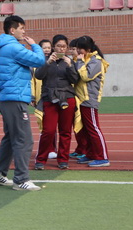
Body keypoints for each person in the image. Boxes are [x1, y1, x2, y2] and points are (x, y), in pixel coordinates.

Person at [0, 15, 45, 191]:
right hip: (16, 99)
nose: (24, 31)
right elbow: (39, 60)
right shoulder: (14, 48)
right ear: (12, 30)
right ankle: (21, 179)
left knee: (10, 137)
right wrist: (35, 45)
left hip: (7, 99)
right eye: (21, 28)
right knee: (24, 139)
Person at [34, 35, 78, 170]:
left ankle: (63, 160)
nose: (61, 49)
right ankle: (41, 159)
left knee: (65, 131)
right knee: (48, 131)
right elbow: (38, 76)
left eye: (64, 46)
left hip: (67, 98)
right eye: (59, 46)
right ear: (53, 47)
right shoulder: (45, 60)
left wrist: (70, 66)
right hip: (50, 98)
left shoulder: (69, 61)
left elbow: (75, 80)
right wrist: (48, 63)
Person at [74, 36, 110, 167]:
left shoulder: (96, 61)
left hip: (89, 99)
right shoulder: (86, 59)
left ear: (88, 49)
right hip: (81, 99)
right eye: (77, 48)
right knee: (86, 130)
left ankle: (103, 157)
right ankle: (90, 154)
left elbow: (85, 76)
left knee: (93, 128)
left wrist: (79, 61)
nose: (78, 51)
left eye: (80, 48)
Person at [67, 38, 88, 160]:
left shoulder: (81, 62)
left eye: (74, 49)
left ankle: (85, 149)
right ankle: (80, 148)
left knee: (82, 126)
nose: (72, 51)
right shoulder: (71, 61)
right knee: (76, 125)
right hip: (73, 96)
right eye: (70, 49)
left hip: (82, 98)